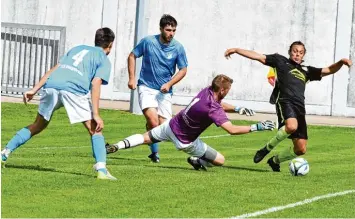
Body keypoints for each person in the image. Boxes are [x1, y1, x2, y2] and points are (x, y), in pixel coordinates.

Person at [1, 27, 117, 180]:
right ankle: (101, 170)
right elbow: (96, 83)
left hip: (52, 86)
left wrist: (34, 89)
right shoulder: (103, 58)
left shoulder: (77, 49)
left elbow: (54, 69)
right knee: (95, 129)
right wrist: (96, 114)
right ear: (110, 45)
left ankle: (4, 153)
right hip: (73, 90)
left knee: (38, 125)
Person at [224, 41, 352, 172]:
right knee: (291, 126)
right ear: (290, 51)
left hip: (300, 108)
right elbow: (258, 56)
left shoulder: (307, 70)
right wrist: (237, 49)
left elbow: (329, 70)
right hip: (285, 101)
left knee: (301, 149)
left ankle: (274, 161)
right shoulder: (280, 61)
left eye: (300, 52)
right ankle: (266, 149)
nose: (297, 54)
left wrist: (341, 62)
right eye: (295, 51)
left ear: (303, 55)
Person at [105, 74, 275, 170]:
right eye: (228, 90)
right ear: (222, 89)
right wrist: (257, 126)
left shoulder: (206, 91)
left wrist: (237, 109)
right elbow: (231, 129)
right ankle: (197, 160)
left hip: (171, 125)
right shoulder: (213, 109)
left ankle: (116, 146)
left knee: (145, 137)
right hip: (186, 142)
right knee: (220, 160)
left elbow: (219, 103)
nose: (228, 93)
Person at [127, 14, 188, 163]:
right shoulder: (148, 42)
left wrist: (169, 84)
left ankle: (151, 138)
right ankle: (155, 153)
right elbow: (132, 56)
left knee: (164, 128)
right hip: (146, 87)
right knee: (153, 122)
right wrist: (132, 78)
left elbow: (183, 69)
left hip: (164, 91)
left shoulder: (178, 47)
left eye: (174, 30)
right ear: (161, 28)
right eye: (168, 30)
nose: (171, 33)